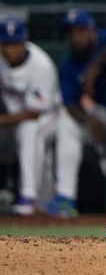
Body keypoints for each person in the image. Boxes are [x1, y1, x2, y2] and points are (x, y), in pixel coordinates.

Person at [44, 9, 106, 218]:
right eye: (72, 32)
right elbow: (70, 104)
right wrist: (89, 120)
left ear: (93, 30)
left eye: (81, 31)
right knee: (66, 123)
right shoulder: (68, 64)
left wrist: (96, 65)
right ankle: (66, 197)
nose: (76, 37)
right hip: (94, 116)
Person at [0, 18, 61, 216]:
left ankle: (28, 196)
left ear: (24, 41)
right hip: (15, 117)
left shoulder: (40, 64)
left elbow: (33, 113)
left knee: (30, 131)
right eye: (6, 44)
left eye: (15, 44)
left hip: (50, 115)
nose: (10, 49)